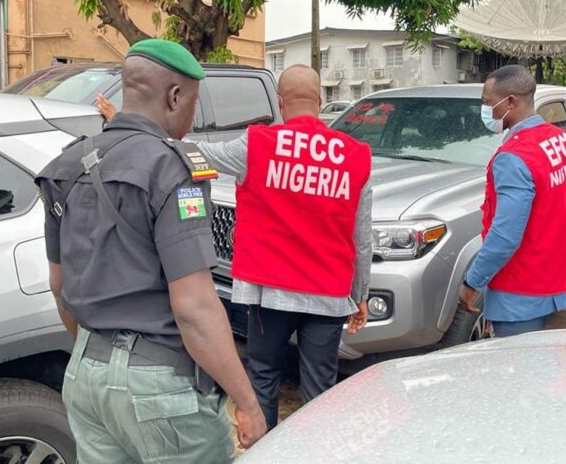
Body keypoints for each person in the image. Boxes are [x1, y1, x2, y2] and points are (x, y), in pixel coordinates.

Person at [98, 64, 373, 430]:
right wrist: (360, 295)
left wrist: (130, 124)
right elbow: (362, 235)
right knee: (320, 390)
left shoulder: (257, 144)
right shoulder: (355, 156)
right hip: (327, 292)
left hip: (266, 290)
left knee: (263, 378)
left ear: (279, 102)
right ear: (320, 101)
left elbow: (191, 152)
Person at [36, 39, 266, 464]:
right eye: (193, 102)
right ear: (175, 96)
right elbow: (194, 307)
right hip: (158, 386)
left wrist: (101, 360)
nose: (192, 115)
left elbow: (59, 285)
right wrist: (247, 401)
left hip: (85, 376)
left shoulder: (67, 165)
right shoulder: (173, 168)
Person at [459, 64, 566, 337]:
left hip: (521, 287)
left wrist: (473, 280)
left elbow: (505, 235)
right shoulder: (565, 142)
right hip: (555, 276)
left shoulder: (515, 156)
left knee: (520, 371)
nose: (486, 110)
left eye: (488, 103)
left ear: (511, 101)